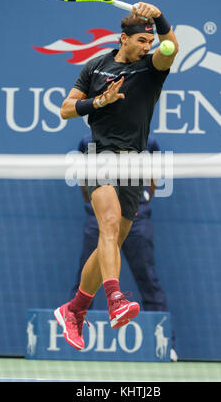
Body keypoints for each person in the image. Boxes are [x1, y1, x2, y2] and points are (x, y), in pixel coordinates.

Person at [54, 2, 178, 351]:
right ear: (123, 39)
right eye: (140, 40)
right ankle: (115, 300)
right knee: (107, 227)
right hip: (101, 158)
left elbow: (173, 48)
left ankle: (74, 309)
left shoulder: (152, 68)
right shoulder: (95, 67)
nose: (147, 46)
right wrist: (98, 103)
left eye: (149, 41)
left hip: (134, 166)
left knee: (111, 241)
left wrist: (158, 16)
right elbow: (65, 109)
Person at [70, 133, 169, 312]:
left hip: (135, 220)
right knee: (84, 284)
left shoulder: (148, 141)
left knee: (148, 281)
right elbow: (84, 177)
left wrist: (141, 201)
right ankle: (74, 329)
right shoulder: (87, 141)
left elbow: (153, 176)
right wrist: (95, 205)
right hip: (98, 221)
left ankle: (162, 339)